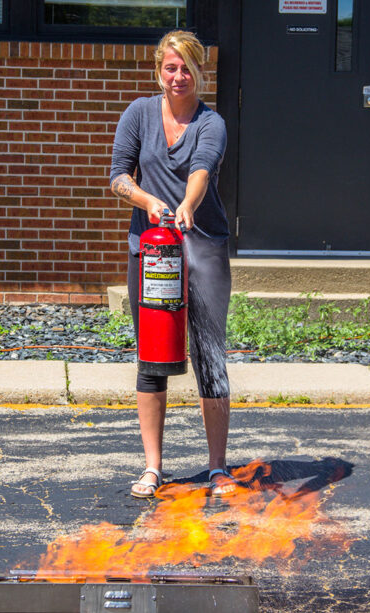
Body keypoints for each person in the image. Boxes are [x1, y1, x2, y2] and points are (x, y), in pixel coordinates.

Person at [109, 31, 236, 499]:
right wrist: (148, 201)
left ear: (200, 72)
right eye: (170, 67)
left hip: (202, 250)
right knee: (153, 357)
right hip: (150, 250)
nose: (178, 76)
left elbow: (202, 168)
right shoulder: (138, 114)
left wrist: (186, 205)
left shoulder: (211, 122)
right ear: (158, 71)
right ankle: (152, 468)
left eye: (187, 68)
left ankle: (217, 468)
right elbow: (119, 175)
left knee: (209, 357)